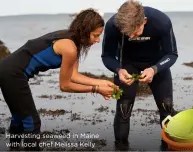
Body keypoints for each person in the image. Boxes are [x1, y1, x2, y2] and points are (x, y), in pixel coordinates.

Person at [0, 8, 118, 151]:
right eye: (95, 35)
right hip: (13, 74)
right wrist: (96, 89)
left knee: (19, 116)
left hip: (7, 69)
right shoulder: (70, 48)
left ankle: (13, 149)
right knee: (32, 122)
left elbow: (73, 75)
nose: (97, 40)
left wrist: (101, 82)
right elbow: (65, 85)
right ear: (85, 31)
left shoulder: (71, 38)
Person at [101, 0, 178, 150]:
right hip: (127, 66)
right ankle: (121, 147)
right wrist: (118, 70)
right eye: (127, 33)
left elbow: (172, 54)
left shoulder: (161, 22)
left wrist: (154, 69)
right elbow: (107, 56)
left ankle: (168, 146)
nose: (132, 36)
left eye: (135, 31)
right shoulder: (112, 25)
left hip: (156, 64)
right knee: (124, 108)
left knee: (167, 108)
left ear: (144, 21)